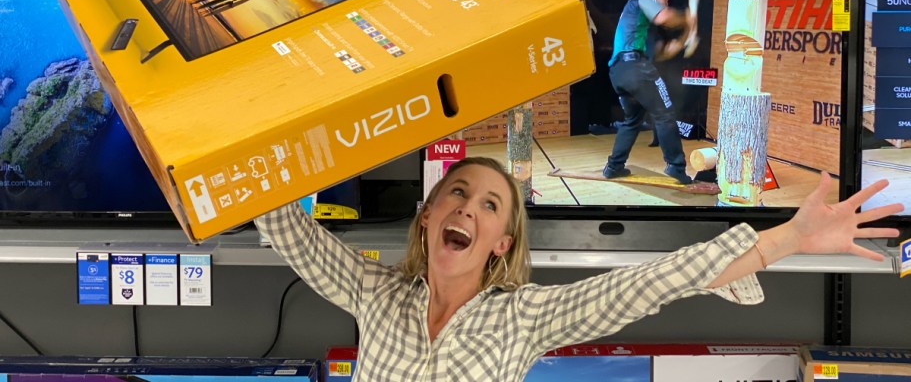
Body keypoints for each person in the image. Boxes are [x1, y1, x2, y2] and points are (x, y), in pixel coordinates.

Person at [255, 156, 902, 382]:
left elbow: (646, 285)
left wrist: (785, 238)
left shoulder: (522, 317)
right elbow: (286, 227)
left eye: (488, 205)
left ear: (501, 244)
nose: (466, 209)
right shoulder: (377, 295)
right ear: (427, 215)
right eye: (455, 193)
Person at [604, 0, 699, 184]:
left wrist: (685, 35)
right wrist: (686, 17)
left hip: (620, 72)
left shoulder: (639, 26)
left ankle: (614, 166)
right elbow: (664, 17)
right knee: (665, 114)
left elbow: (665, 52)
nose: (666, 2)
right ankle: (676, 166)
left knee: (632, 120)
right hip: (635, 69)